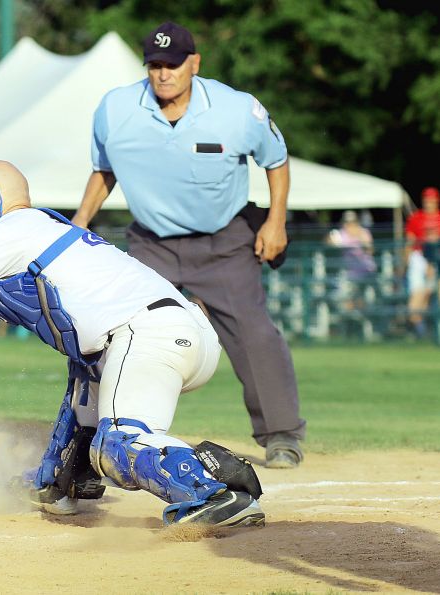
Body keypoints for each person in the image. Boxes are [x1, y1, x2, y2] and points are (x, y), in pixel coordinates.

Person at [0, 159, 266, 528]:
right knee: (86, 368)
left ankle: (211, 487)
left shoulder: (4, 232)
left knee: (119, 445)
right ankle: (63, 479)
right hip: (163, 336)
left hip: (146, 336)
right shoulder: (36, 232)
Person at [70, 22, 305, 468]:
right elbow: (104, 171)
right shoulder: (116, 109)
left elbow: (276, 160)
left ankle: (282, 436)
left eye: (173, 64)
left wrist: (276, 223)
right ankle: (90, 438)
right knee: (109, 333)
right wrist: (81, 222)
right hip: (151, 243)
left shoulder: (237, 110)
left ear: (194, 63)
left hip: (225, 242)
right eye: (155, 65)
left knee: (254, 333)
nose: (163, 73)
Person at [404, 187, 440, 339]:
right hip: (419, 257)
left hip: (437, 258)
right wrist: (404, 263)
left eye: (431, 199)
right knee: (417, 297)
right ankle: (422, 333)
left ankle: (432, 332)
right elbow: (409, 242)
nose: (428, 202)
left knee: (431, 294)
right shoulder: (416, 218)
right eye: (426, 199)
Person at [326, 210, 377, 313]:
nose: (349, 225)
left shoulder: (364, 233)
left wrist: (360, 238)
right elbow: (328, 241)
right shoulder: (341, 234)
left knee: (365, 299)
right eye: (347, 222)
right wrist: (331, 240)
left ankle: (358, 312)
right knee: (339, 297)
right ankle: (351, 314)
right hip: (348, 274)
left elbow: (370, 250)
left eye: (352, 222)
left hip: (366, 273)